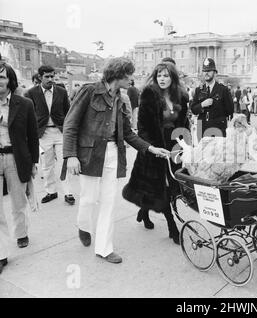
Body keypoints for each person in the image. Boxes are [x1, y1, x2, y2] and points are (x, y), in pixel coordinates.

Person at [63, 57, 170, 264]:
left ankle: (104, 248)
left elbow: (128, 133)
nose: (132, 78)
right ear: (118, 75)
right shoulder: (90, 91)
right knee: (88, 199)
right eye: (129, 74)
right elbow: (70, 123)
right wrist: (71, 155)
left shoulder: (122, 100)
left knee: (108, 203)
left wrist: (150, 148)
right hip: (90, 155)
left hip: (113, 153)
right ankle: (83, 225)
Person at [122, 62, 189, 244]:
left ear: (172, 77)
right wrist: (152, 148)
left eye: (166, 75)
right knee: (161, 188)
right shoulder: (149, 95)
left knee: (173, 187)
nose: (162, 79)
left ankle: (143, 211)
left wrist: (185, 145)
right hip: (155, 148)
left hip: (174, 147)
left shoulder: (181, 96)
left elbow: (184, 124)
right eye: (159, 75)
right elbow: (142, 127)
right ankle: (172, 227)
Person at [0, 62, 39, 274]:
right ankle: (1, 253)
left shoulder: (24, 104)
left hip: (15, 157)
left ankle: (21, 232)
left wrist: (34, 162)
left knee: (18, 201)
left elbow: (33, 136)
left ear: (10, 80)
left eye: (2, 77)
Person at [24, 65, 75, 205]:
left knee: (64, 163)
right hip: (42, 133)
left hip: (60, 132)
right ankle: (51, 191)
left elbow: (68, 112)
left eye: (52, 76)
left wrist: (68, 129)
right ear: (40, 77)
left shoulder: (62, 92)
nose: (50, 79)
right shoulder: (30, 93)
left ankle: (68, 192)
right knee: (47, 164)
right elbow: (28, 114)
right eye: (47, 76)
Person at [191, 57, 234, 139]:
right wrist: (202, 105)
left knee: (218, 151)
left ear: (215, 73)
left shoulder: (223, 90)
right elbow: (193, 110)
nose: (206, 73)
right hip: (202, 127)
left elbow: (230, 110)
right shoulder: (198, 90)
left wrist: (218, 113)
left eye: (209, 71)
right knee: (203, 151)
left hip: (218, 128)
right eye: (204, 71)